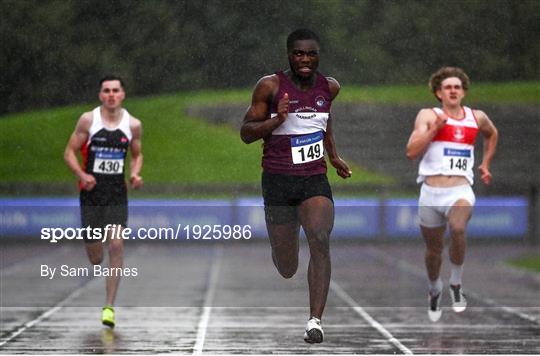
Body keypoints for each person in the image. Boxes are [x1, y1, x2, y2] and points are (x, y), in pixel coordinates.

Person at [240, 29, 351, 343]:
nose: (305, 59)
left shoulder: (330, 87)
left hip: (313, 179)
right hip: (277, 181)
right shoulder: (270, 86)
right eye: (299, 54)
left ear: (318, 55)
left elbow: (324, 122)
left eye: (311, 54)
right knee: (287, 266)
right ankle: (280, 251)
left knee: (319, 237)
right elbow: (246, 133)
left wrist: (333, 155)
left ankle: (315, 321)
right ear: (289, 55)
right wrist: (276, 121)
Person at [406, 67, 498, 322]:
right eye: (448, 87)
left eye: (457, 87)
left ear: (464, 92)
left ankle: (456, 283)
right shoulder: (428, 115)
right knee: (433, 250)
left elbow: (492, 134)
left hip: (459, 190)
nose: (453, 90)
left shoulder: (476, 117)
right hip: (430, 193)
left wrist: (485, 163)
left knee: (458, 228)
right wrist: (434, 129)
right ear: (438, 92)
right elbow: (411, 152)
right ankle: (434, 287)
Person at [64, 75, 143, 328]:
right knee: (96, 257)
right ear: (101, 95)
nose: (111, 94)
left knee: (117, 245)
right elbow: (69, 152)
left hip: (116, 193)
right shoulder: (89, 120)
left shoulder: (133, 125)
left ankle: (109, 306)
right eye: (106, 90)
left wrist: (134, 173)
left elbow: (137, 155)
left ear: (122, 95)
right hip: (92, 194)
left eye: (115, 90)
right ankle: (94, 253)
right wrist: (82, 174)